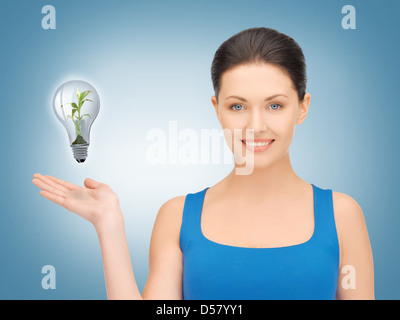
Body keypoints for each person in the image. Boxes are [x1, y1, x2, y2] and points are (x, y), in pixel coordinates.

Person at [32, 27, 374, 300]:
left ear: (303, 107)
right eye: (238, 106)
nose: (256, 125)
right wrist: (108, 224)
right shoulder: (177, 216)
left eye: (275, 106)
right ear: (216, 108)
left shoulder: (342, 215)